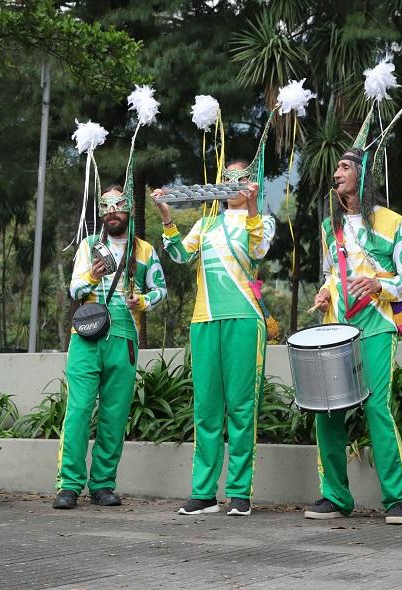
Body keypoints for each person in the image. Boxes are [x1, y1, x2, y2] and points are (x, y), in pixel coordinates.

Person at [306, 143, 402, 525]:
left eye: (344, 167)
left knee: (376, 407)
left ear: (363, 174)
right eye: (335, 168)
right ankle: (335, 496)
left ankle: (400, 499)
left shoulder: (393, 221)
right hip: (334, 331)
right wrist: (324, 291)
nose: (336, 174)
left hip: (376, 326)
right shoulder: (330, 227)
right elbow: (330, 272)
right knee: (328, 412)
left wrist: (377, 286)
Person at [152, 160, 276, 517]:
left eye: (243, 179)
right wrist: (166, 217)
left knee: (241, 407)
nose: (235, 184)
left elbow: (258, 251)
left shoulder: (263, 221)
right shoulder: (206, 224)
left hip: (244, 319)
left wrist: (252, 207)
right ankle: (203, 493)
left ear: (252, 184)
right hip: (204, 320)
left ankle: (239, 492)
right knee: (206, 409)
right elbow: (179, 255)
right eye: (229, 178)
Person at [52, 185, 167, 510]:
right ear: (101, 211)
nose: (113, 211)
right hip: (88, 338)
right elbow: (75, 289)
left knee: (115, 416)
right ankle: (68, 485)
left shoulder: (143, 250)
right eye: (107, 206)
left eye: (119, 205)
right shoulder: (90, 246)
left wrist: (141, 300)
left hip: (124, 340)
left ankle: (102, 485)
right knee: (78, 411)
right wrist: (91, 275)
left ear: (129, 209)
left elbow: (161, 289)